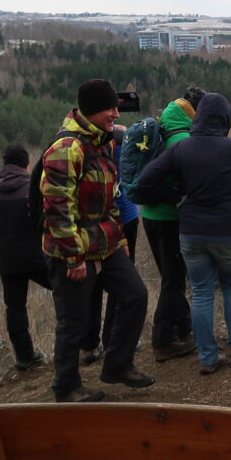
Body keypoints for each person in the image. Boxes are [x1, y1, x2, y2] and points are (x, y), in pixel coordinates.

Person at [39, 79, 154, 402]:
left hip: (106, 241)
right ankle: (66, 387)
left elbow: (109, 198)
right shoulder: (67, 149)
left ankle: (118, 364)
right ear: (91, 111)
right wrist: (73, 257)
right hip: (71, 248)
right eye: (110, 109)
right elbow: (57, 209)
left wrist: (120, 240)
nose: (116, 115)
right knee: (73, 322)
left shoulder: (103, 142)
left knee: (135, 295)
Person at [133, 92, 231, 374]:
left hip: (191, 232)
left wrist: (177, 193)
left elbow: (145, 180)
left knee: (201, 292)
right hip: (227, 229)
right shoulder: (230, 147)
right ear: (225, 119)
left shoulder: (181, 149)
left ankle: (208, 357)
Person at [135, 88, 203, 362]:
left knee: (171, 277)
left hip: (151, 215)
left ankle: (183, 329)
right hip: (169, 218)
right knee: (174, 279)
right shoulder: (183, 139)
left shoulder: (163, 126)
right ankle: (162, 340)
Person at [0, 144, 49, 372]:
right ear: (26, 165)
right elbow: (45, 221)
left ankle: (25, 357)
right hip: (38, 256)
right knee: (66, 291)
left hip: (7, 259)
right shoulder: (34, 189)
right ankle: (76, 344)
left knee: (15, 307)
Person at [82, 123, 143, 366]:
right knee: (123, 285)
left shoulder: (90, 147)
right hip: (124, 216)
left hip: (95, 220)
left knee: (93, 282)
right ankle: (112, 340)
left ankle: (88, 343)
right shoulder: (123, 139)